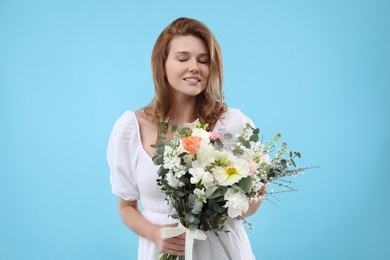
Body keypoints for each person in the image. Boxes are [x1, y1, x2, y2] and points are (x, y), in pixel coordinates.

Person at [107, 17, 265, 259]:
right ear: (162, 64)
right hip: (160, 250)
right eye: (183, 59)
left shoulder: (233, 124)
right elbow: (126, 207)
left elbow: (255, 196)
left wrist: (221, 212)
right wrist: (155, 233)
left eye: (203, 61)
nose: (195, 67)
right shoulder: (131, 128)